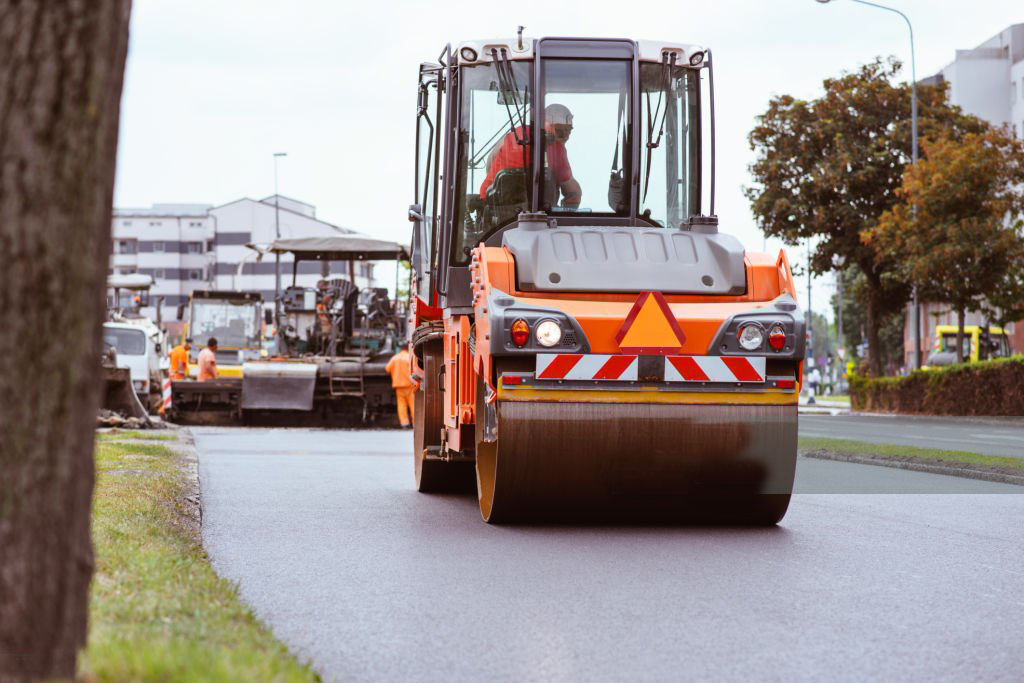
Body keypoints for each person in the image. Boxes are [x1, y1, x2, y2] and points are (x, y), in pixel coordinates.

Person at [478, 103, 582, 208]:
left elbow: (492, 158)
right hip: (535, 212)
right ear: (545, 123)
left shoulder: (514, 135)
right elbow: (574, 192)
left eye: (568, 131)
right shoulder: (557, 150)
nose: (565, 137)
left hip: (490, 206)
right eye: (559, 131)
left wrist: (494, 183)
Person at [385, 347, 417, 428]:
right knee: (413, 404)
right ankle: (415, 423)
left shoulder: (394, 358)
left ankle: (404, 423)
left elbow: (387, 369)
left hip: (398, 386)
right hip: (409, 385)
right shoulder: (409, 357)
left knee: (401, 405)